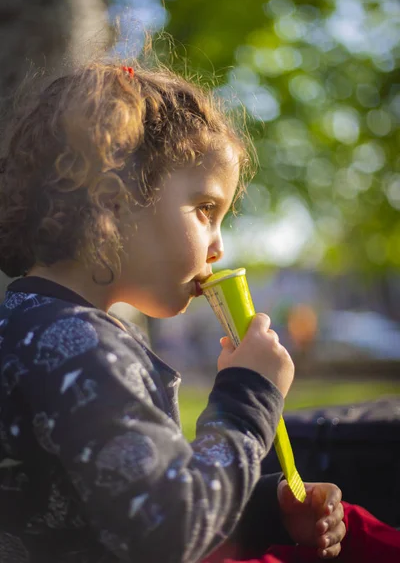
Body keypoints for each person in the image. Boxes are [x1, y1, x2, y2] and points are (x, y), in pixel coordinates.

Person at [0, 60, 345, 563]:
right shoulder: (79, 347)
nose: (218, 247)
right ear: (112, 202)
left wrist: (260, 513)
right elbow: (168, 528)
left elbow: (114, 510)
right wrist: (248, 399)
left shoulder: (31, 325)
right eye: (206, 209)